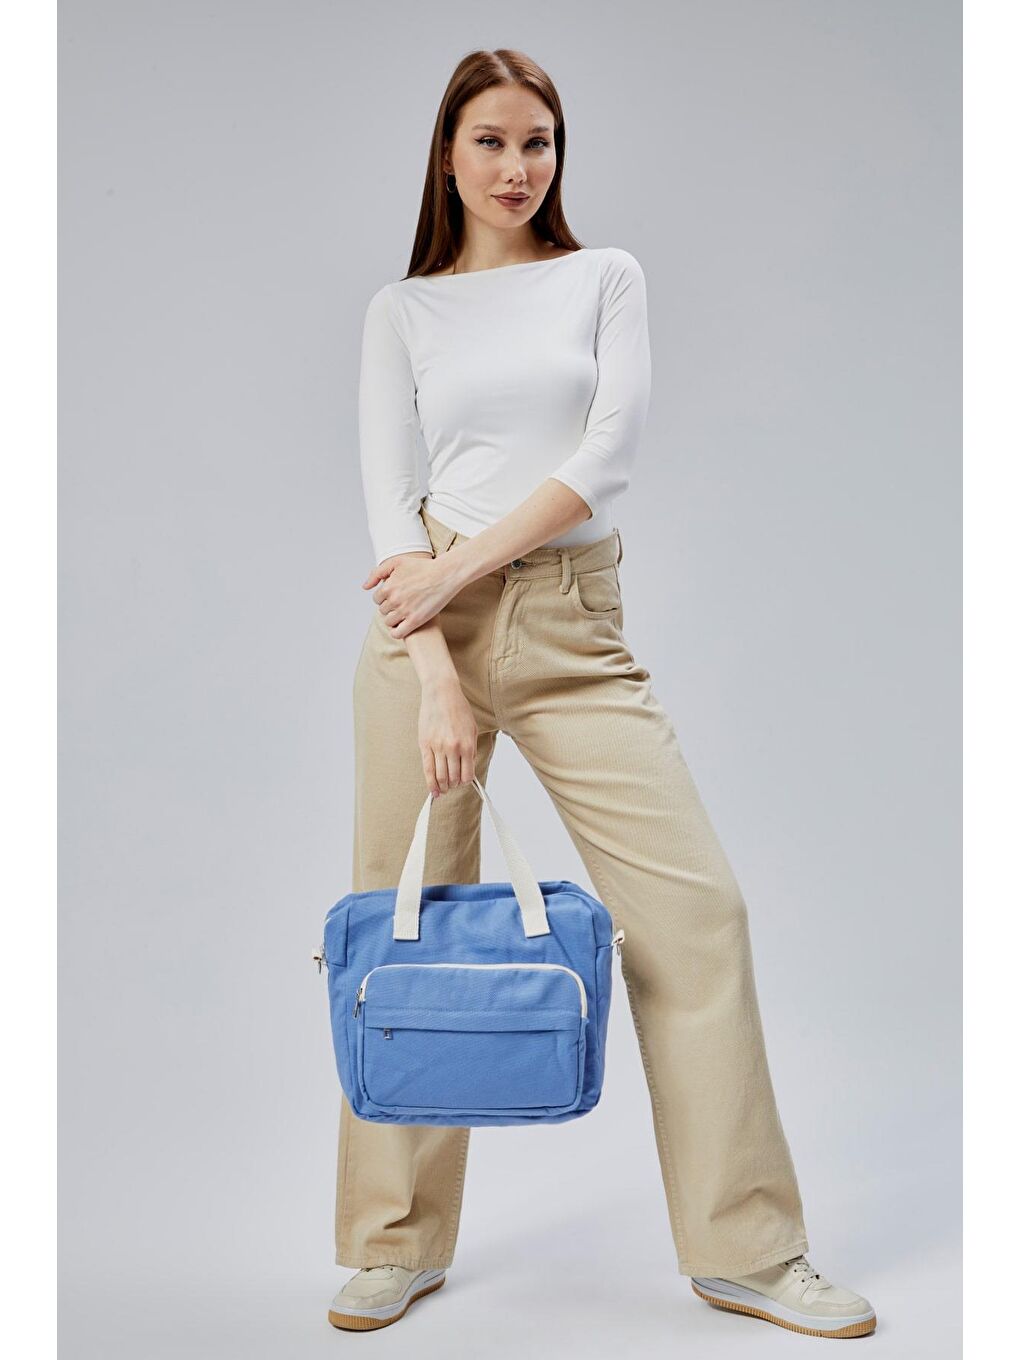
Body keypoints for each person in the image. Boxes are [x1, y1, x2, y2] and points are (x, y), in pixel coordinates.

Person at [328, 47, 877, 1340]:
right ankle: (393, 1243)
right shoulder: (402, 311)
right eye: (491, 141)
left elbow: (607, 453)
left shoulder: (603, 278)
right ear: (447, 155)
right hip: (423, 639)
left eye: (539, 142)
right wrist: (436, 671)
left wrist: (461, 565)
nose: (517, 167)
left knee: (698, 916)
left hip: (570, 620)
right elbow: (387, 505)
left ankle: (748, 1248)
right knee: (403, 926)